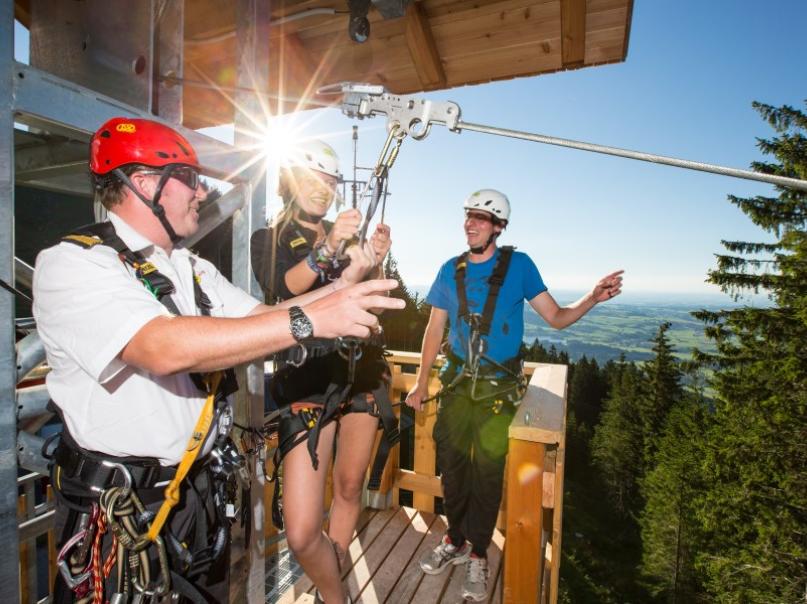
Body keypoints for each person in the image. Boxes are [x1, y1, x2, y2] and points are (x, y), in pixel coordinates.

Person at [32, 117, 402, 603]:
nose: (202, 192)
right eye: (188, 178)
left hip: (198, 505)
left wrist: (344, 286)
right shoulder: (75, 263)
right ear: (145, 184)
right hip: (126, 515)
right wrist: (309, 320)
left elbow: (266, 315)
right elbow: (160, 347)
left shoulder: (191, 269)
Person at [405, 189, 623, 601]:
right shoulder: (450, 270)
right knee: (451, 466)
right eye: (468, 216)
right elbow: (434, 329)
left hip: (498, 391)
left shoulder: (519, 267)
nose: (471, 223)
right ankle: (454, 539)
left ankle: (478, 554)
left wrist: (593, 298)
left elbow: (556, 318)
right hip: (455, 384)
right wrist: (420, 381)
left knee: (487, 473)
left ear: (499, 227)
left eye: (481, 218)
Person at [250, 139, 394, 604]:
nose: (325, 190)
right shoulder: (268, 238)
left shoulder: (345, 234)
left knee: (350, 486)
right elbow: (282, 289)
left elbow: (362, 293)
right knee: (301, 529)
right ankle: (333, 583)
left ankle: (331, 585)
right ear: (291, 180)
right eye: (315, 180)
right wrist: (328, 247)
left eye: (331, 183)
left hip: (361, 373)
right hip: (309, 381)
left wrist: (375, 260)